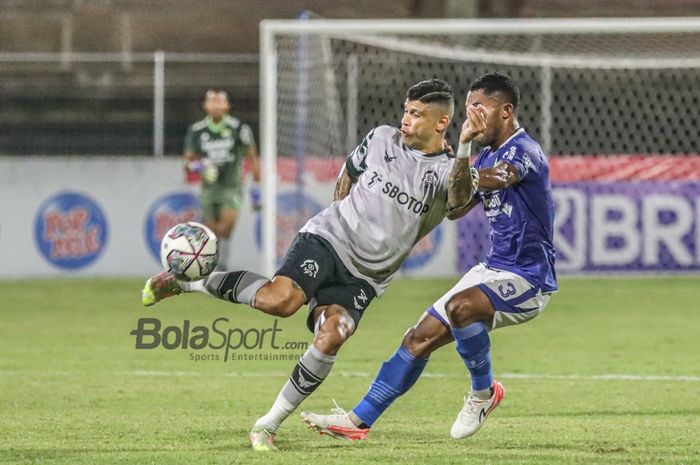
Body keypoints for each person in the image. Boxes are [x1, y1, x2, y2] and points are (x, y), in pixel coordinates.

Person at [141, 78, 482, 451]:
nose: (405, 119)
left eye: (416, 114)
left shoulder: (452, 170)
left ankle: (267, 424)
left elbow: (460, 203)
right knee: (280, 302)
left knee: (333, 334)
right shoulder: (382, 137)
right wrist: (338, 216)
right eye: (405, 110)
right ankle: (186, 283)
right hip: (328, 239)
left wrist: (464, 148)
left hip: (366, 277)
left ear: (440, 122)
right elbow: (348, 174)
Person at [301, 72, 557, 441]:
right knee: (418, 338)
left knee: (460, 308)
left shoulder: (524, 151)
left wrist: (457, 164)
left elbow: (497, 178)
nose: (471, 117)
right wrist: (461, 159)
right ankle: (357, 422)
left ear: (506, 110)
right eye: (468, 109)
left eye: (480, 107)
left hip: (530, 277)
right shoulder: (481, 153)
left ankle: (483, 394)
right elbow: (457, 206)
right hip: (493, 268)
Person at [183, 89, 262, 270]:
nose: (216, 105)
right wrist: (200, 167)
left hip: (231, 186)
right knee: (210, 231)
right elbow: (187, 163)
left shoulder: (238, 129)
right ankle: (212, 265)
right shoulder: (197, 131)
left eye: (220, 101)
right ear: (205, 106)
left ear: (227, 106)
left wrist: (256, 187)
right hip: (209, 188)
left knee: (226, 227)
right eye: (212, 101)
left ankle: (221, 266)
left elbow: (252, 157)